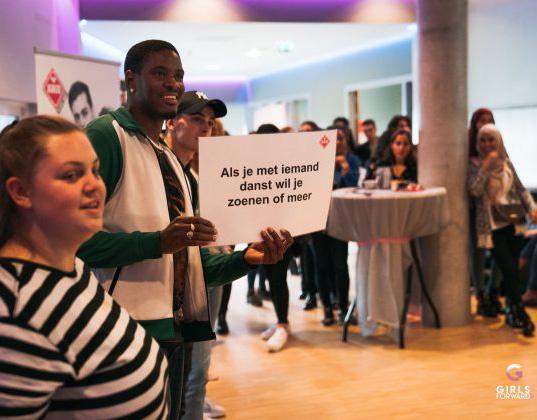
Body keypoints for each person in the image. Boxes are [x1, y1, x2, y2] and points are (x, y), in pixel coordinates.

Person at [77, 40, 292, 419]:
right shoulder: (107, 136)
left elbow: (190, 263)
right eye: (160, 73)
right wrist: (158, 242)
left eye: (178, 75)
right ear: (131, 80)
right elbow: (76, 244)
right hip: (121, 328)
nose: (172, 84)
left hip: (175, 330)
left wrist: (246, 259)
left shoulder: (169, 158)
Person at [0, 115, 169, 418]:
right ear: (21, 192)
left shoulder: (71, 267)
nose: (95, 186)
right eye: (71, 175)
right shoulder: (15, 312)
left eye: (95, 170)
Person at [164, 90, 229, 420]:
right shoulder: (161, 170)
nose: (205, 127)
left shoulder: (193, 175)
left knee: (198, 365)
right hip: (170, 286)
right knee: (184, 369)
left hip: (205, 274)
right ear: (173, 123)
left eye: (209, 121)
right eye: (196, 119)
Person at [468, 123, 536, 337]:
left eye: (491, 139)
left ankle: (513, 309)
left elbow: (520, 189)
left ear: (498, 141)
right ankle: (518, 310)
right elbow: (474, 190)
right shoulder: (474, 164)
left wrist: (532, 208)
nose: (487, 144)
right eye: (483, 140)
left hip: (513, 222)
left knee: (512, 268)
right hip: (491, 226)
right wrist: (485, 168)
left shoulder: (506, 162)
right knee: (508, 267)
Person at [313, 127, 360, 325]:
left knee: (341, 265)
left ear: (347, 140)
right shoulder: (318, 160)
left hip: (341, 220)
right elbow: (316, 186)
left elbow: (351, 185)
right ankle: (327, 309)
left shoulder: (353, 161)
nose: (338, 141)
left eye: (341, 138)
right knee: (321, 266)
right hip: (318, 221)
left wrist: (344, 169)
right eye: (334, 138)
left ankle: (343, 308)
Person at [468, 108, 503, 316]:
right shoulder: (471, 157)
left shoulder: (501, 154)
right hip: (478, 213)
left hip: (500, 213)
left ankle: (493, 291)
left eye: (489, 120)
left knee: (502, 254)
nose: (486, 123)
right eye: (482, 121)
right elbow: (474, 189)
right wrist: (486, 166)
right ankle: (480, 295)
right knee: (478, 254)